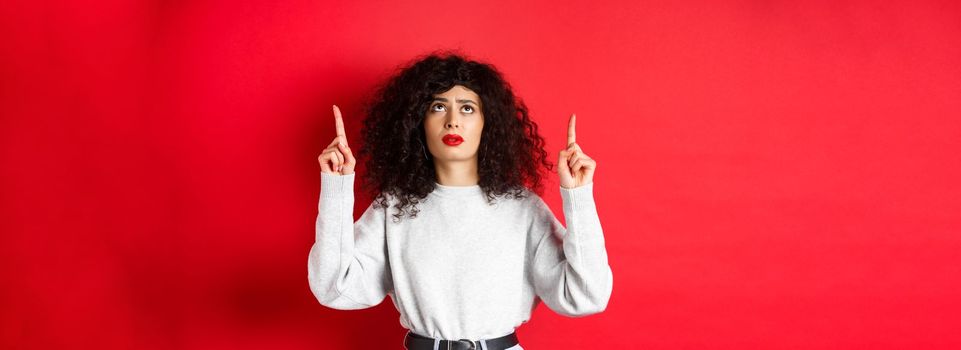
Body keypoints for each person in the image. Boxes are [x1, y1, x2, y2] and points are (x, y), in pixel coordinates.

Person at [308, 51, 613, 350]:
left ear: (487, 122)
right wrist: (337, 187)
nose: (453, 121)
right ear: (419, 122)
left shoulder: (523, 209)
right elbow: (335, 288)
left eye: (467, 108)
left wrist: (578, 197)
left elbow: (586, 296)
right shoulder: (394, 208)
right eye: (438, 107)